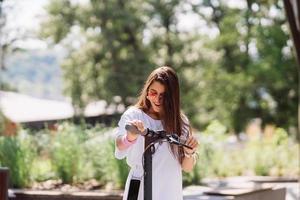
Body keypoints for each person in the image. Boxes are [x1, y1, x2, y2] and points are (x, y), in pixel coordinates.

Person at [115, 66, 199, 200]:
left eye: (164, 96)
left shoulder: (180, 122)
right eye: (153, 93)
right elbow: (119, 145)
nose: (157, 100)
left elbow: (187, 167)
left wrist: (189, 152)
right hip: (140, 187)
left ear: (172, 97)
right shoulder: (134, 115)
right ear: (147, 92)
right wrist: (130, 137)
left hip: (170, 190)